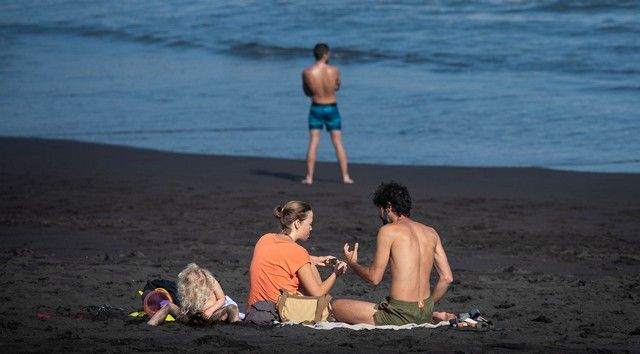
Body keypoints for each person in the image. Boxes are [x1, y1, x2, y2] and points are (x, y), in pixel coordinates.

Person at [331, 181, 454, 325]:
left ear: (388, 207)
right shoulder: (431, 232)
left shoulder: (388, 231)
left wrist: (353, 263)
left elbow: (374, 278)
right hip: (425, 313)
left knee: (335, 306)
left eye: (380, 209)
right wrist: (428, 306)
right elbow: (447, 278)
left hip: (398, 314)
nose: (379, 214)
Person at [246, 201, 347, 320]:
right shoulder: (298, 252)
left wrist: (318, 259)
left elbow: (282, 257)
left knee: (307, 267)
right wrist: (336, 273)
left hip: (252, 311)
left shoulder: (265, 239)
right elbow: (318, 292)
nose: (311, 228)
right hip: (276, 314)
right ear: (298, 223)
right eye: (309, 223)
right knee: (327, 304)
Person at [301, 43, 354, 185]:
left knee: (313, 142)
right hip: (331, 107)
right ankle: (345, 176)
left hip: (316, 107)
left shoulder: (307, 72)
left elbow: (306, 92)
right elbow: (337, 87)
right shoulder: (334, 70)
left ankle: (309, 177)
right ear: (325, 55)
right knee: (337, 142)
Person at [147, 263, 241, 326]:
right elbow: (183, 303)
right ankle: (151, 324)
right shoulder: (186, 287)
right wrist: (185, 310)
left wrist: (210, 310)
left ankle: (236, 326)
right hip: (191, 318)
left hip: (210, 317)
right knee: (169, 306)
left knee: (232, 308)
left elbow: (221, 299)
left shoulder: (211, 281)